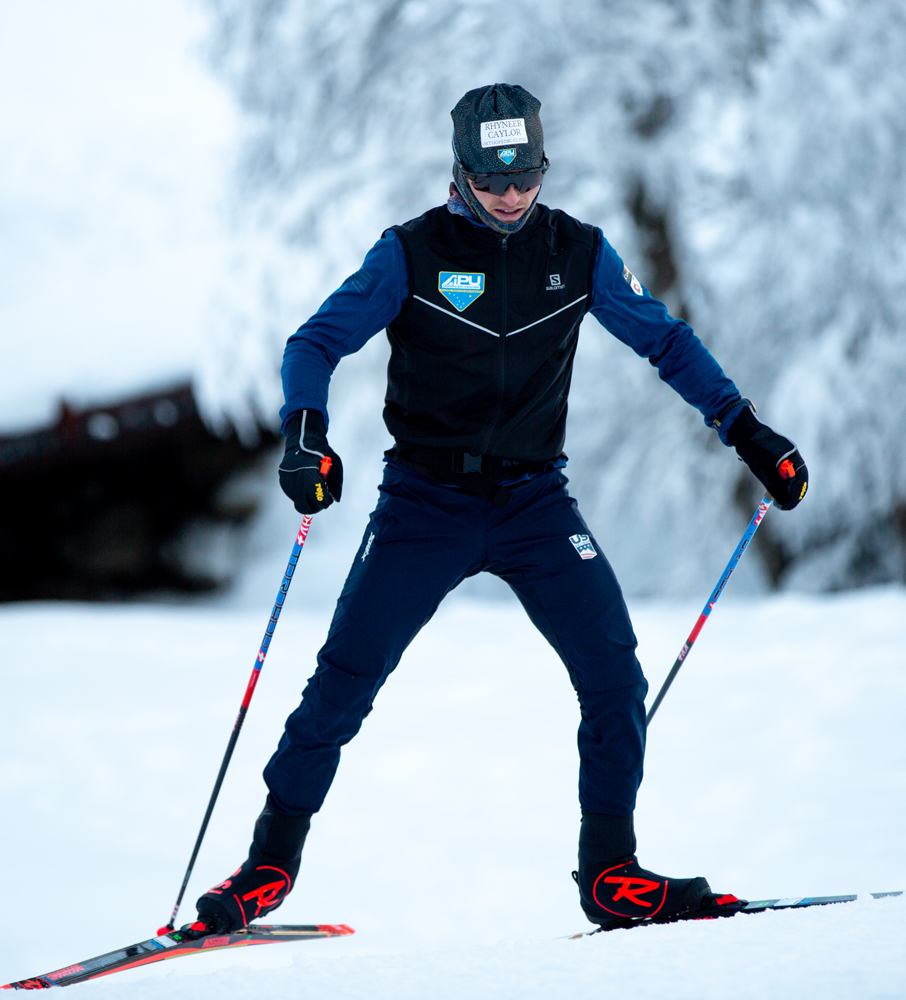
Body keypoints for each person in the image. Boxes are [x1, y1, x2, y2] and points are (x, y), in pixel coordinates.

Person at [192, 83, 808, 933]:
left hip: (533, 504)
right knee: (344, 683)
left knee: (614, 674)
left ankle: (612, 873)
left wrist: (749, 432)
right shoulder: (409, 253)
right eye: (492, 180)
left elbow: (664, 340)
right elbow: (316, 343)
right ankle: (269, 863)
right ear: (460, 171)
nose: (512, 196)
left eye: (525, 177)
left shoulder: (579, 252)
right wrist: (306, 434)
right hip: (425, 503)